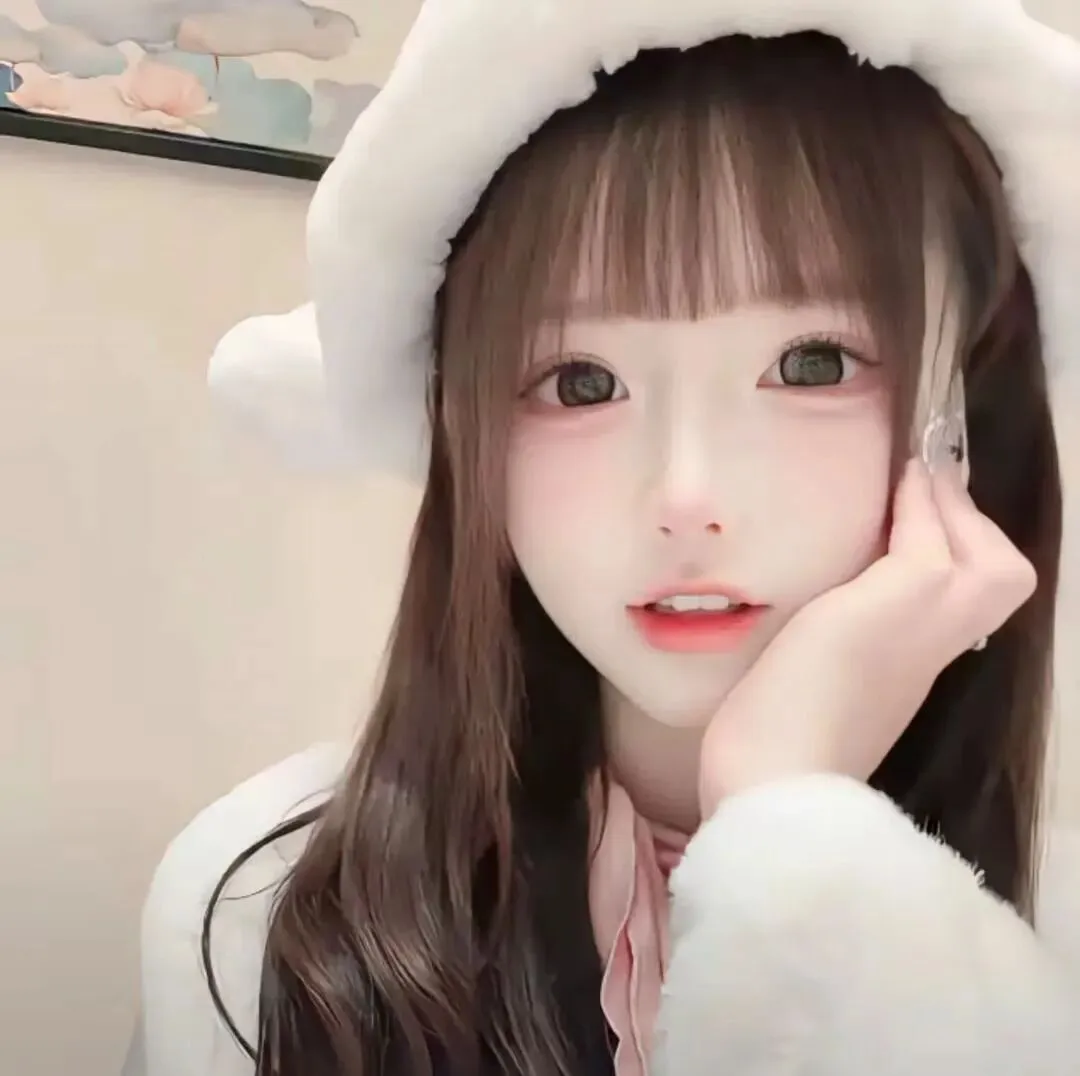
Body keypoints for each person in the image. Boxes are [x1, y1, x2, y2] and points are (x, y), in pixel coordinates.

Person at [136, 2, 1080, 1075]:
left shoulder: (1048, 950)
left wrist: (790, 822)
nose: (686, 495)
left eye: (812, 364)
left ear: (964, 418)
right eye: (580, 382)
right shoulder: (270, 909)